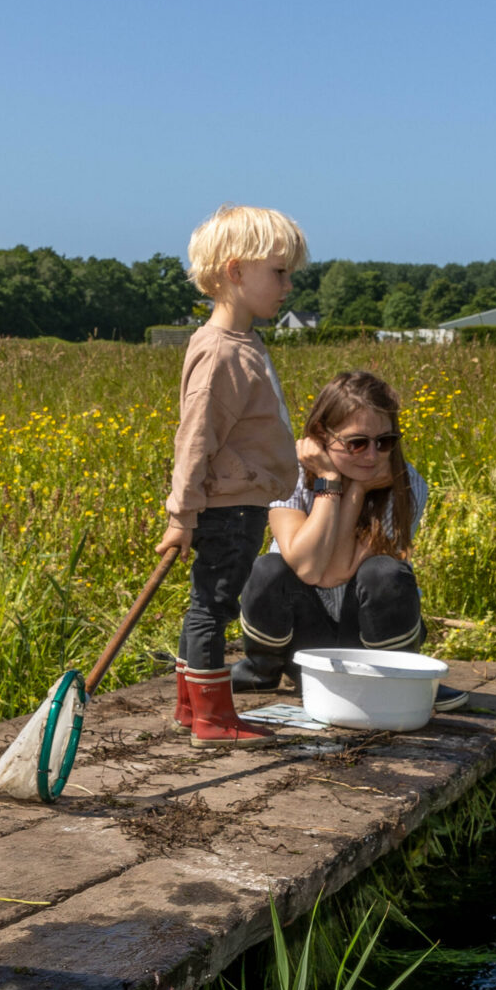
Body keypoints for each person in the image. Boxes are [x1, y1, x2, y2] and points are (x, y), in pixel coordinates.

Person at [157, 204, 302, 742]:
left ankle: (191, 708)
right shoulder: (221, 352)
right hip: (228, 506)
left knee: (207, 602)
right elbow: (195, 440)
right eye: (279, 272)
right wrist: (183, 514)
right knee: (213, 606)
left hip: (243, 499)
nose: (288, 286)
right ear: (235, 272)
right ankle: (214, 719)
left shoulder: (245, 343)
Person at [235, 369, 428, 689]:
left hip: (373, 646)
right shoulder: (288, 474)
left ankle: (398, 682)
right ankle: (263, 671)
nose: (372, 455)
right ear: (322, 436)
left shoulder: (405, 483)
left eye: (385, 441)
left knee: (384, 573)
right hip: (302, 645)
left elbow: (334, 571)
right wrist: (329, 484)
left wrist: (356, 492)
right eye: (357, 443)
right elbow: (308, 568)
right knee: (269, 567)